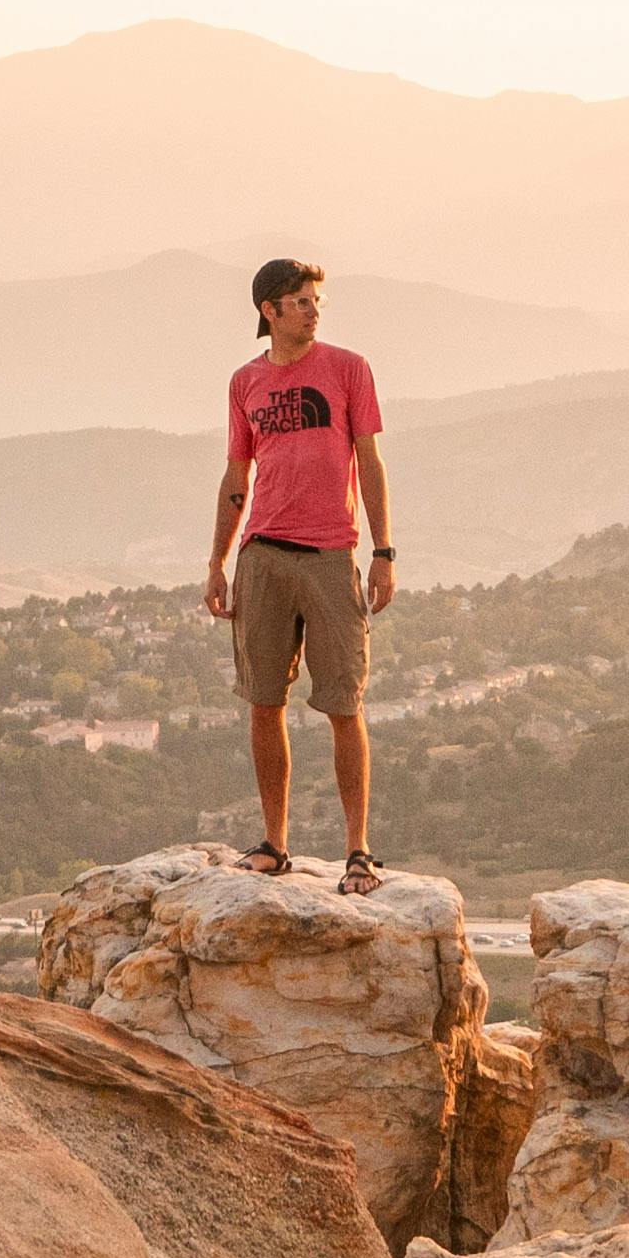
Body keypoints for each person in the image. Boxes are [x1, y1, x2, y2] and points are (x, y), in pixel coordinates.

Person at [200, 255, 395, 884]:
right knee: (264, 702)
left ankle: (358, 851)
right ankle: (274, 844)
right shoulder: (244, 383)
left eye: (317, 301)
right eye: (302, 301)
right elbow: (238, 474)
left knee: (344, 704)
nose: (314, 311)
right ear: (270, 310)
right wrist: (218, 561)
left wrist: (383, 551)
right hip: (262, 556)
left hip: (332, 556)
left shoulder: (348, 369)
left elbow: (369, 461)